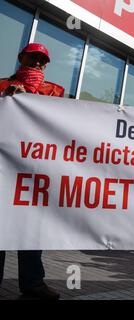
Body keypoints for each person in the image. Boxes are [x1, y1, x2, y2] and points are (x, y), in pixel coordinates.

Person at [0, 43, 64, 300]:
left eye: (42, 60)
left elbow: (58, 122)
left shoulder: (55, 91)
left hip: (34, 171)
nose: (38, 63)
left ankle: (33, 284)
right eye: (33, 57)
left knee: (30, 229)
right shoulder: (3, 85)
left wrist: (29, 100)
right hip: (4, 169)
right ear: (21, 57)